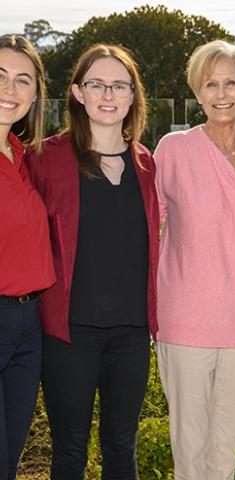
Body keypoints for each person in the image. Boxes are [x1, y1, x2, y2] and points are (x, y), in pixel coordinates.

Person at [25, 44, 159, 480]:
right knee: (70, 450)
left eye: (119, 85)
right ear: (78, 93)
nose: (108, 94)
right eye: (96, 84)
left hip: (132, 334)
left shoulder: (146, 164)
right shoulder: (46, 158)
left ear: (133, 96)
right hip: (69, 333)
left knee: (122, 446)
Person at [153, 39, 235, 480]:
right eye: (210, 85)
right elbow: (148, 229)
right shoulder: (173, 149)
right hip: (184, 320)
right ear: (197, 93)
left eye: (231, 83)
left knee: (226, 447)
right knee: (190, 444)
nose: (221, 94)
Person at [0, 34, 55, 480]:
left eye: (22, 81)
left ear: (35, 95)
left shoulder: (24, 155)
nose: (9, 91)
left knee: (11, 457)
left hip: (28, 324)